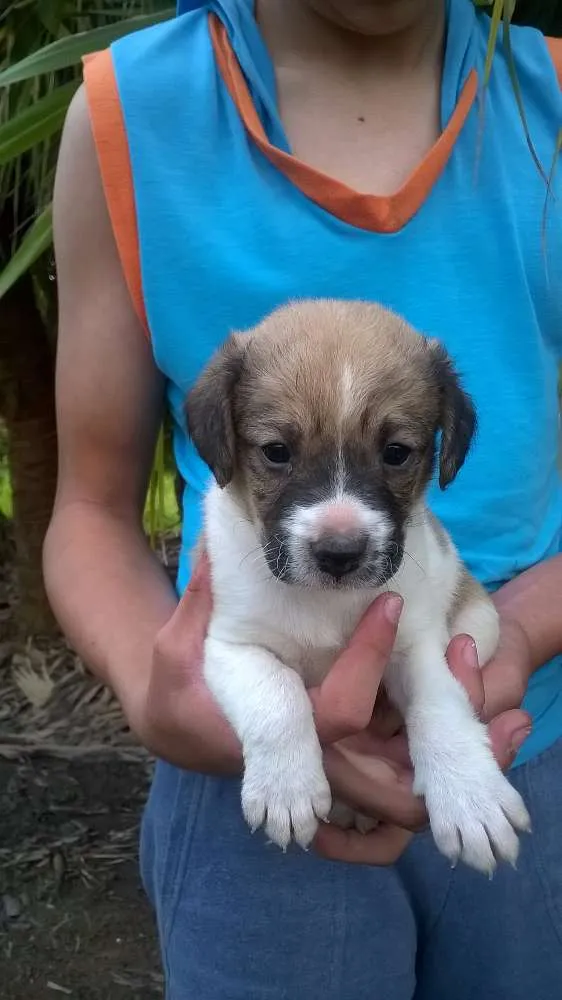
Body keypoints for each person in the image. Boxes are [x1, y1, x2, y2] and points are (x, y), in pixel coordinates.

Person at [44, 0, 562, 997]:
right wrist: (161, 699)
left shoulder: (549, 109)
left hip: (525, 735)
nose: (339, 518)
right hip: (234, 762)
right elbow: (92, 509)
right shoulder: (129, 113)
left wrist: (523, 636)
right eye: (277, 453)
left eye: (400, 456)